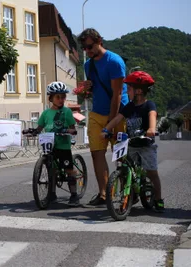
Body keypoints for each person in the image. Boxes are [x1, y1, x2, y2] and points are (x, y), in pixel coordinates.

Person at [78, 28, 129, 206]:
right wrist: (88, 88)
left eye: (90, 46)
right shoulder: (88, 65)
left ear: (99, 40)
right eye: (84, 48)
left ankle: (126, 193)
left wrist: (111, 122)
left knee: (120, 155)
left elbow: (116, 95)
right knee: (96, 154)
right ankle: (104, 194)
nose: (88, 51)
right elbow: (93, 91)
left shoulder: (114, 62)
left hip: (118, 114)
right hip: (96, 113)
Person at [100, 71, 164, 212]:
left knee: (152, 173)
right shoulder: (129, 106)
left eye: (129, 89)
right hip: (131, 144)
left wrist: (152, 128)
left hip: (146, 144)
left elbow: (152, 115)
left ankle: (158, 199)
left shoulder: (149, 105)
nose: (126, 91)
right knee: (123, 166)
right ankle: (130, 194)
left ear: (139, 91)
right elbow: (118, 118)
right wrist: (106, 129)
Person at [32, 82, 79, 206]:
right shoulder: (46, 113)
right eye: (58, 97)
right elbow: (40, 127)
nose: (61, 99)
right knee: (51, 169)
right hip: (50, 145)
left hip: (63, 146)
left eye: (63, 97)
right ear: (51, 98)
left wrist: (70, 130)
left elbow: (72, 128)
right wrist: (33, 131)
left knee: (69, 169)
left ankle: (74, 195)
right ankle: (51, 194)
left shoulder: (67, 112)